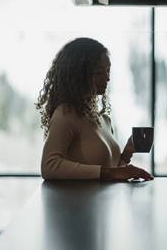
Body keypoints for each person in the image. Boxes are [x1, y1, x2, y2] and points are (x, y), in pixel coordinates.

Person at [36, 37, 154, 181]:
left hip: (103, 203)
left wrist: (127, 154)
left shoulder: (104, 120)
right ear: (78, 75)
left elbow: (110, 173)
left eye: (108, 70)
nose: (107, 78)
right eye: (99, 72)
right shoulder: (66, 114)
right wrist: (111, 173)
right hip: (76, 204)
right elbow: (49, 166)